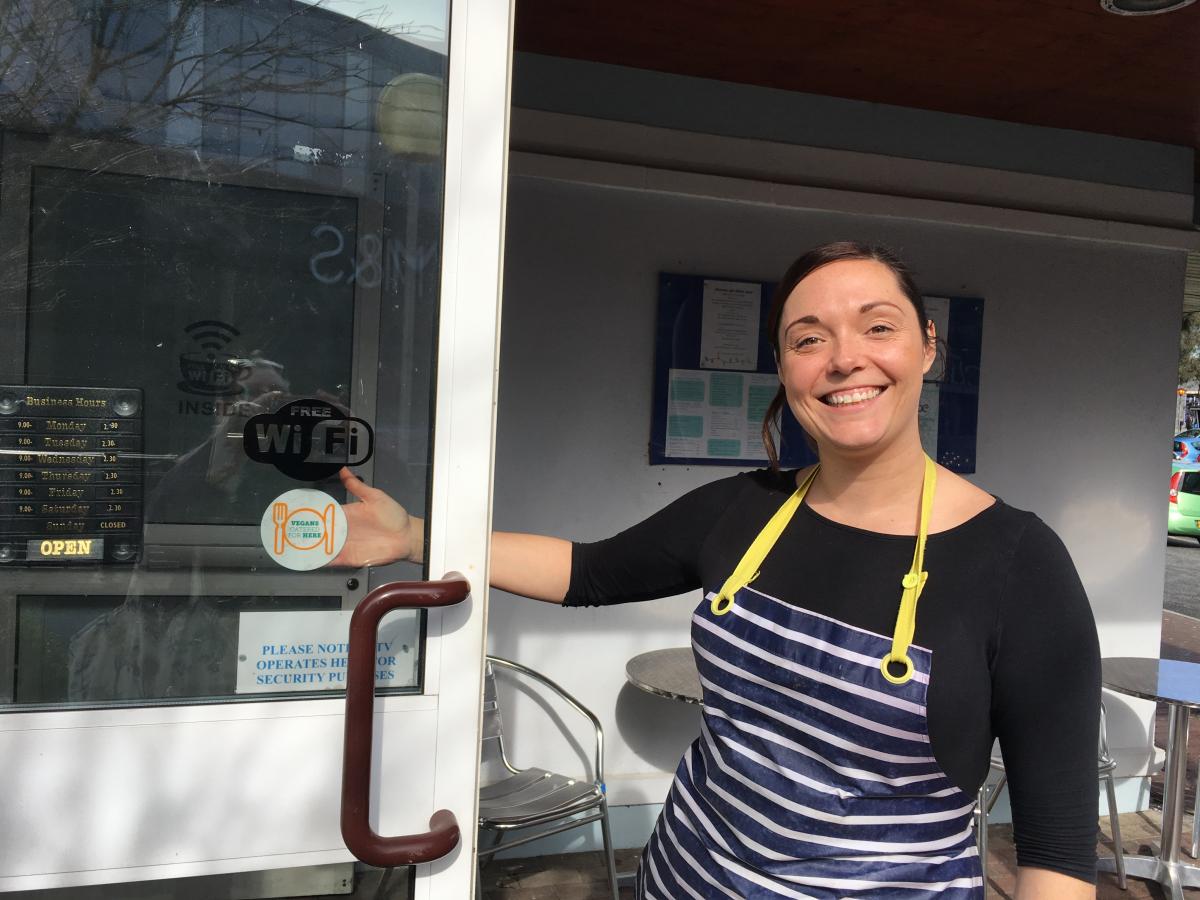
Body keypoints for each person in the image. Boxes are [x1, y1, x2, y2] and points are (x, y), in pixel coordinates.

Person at [335, 241, 1101, 899]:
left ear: (928, 346)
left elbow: (1058, 850)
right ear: (785, 367)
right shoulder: (745, 509)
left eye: (878, 327)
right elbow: (586, 571)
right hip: (682, 875)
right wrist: (415, 534)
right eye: (809, 339)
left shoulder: (1018, 564)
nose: (844, 358)